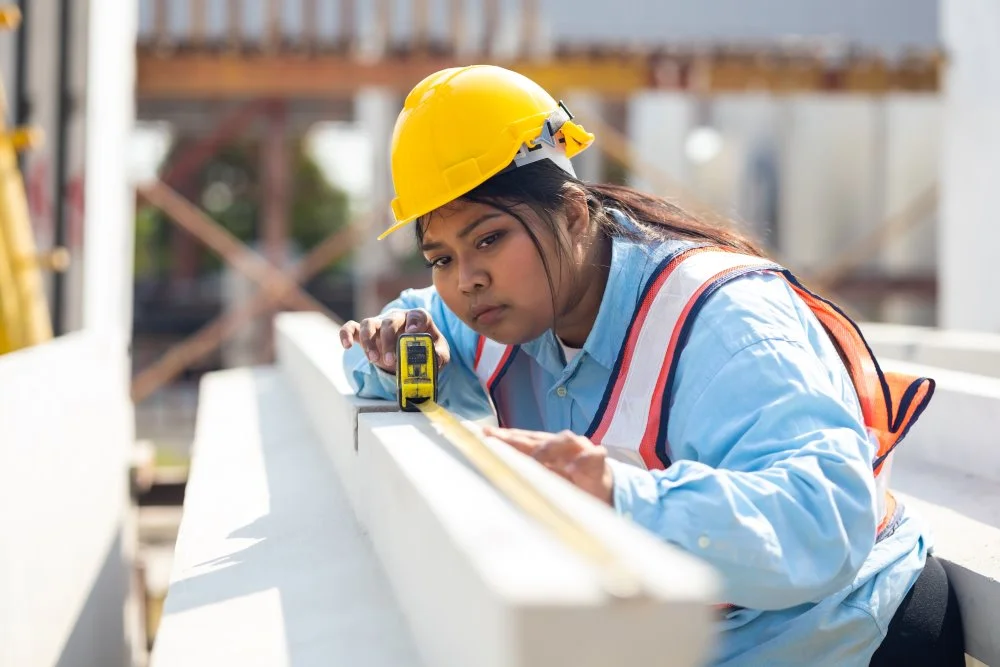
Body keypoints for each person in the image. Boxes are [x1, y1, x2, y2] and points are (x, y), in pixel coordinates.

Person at [339, 64, 965, 666]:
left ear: (575, 214)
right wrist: (391, 355)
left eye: (488, 238)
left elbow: (822, 520)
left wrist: (619, 497)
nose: (467, 281)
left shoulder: (723, 320)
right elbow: (411, 324)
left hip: (846, 636)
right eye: (440, 258)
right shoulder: (495, 307)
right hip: (697, 634)